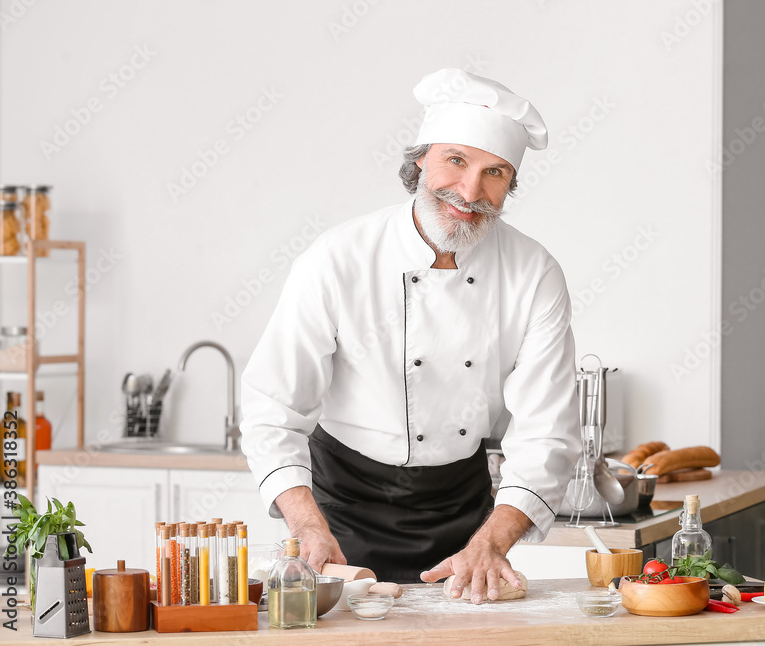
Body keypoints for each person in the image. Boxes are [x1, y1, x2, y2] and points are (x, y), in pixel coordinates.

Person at [240, 68, 581, 602]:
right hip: (339, 512)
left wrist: (494, 541)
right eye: (456, 160)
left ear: (511, 183)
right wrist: (306, 525)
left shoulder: (533, 273)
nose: (470, 191)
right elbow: (271, 409)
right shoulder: (338, 258)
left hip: (465, 519)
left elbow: (547, 433)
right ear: (420, 158)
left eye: (495, 172)